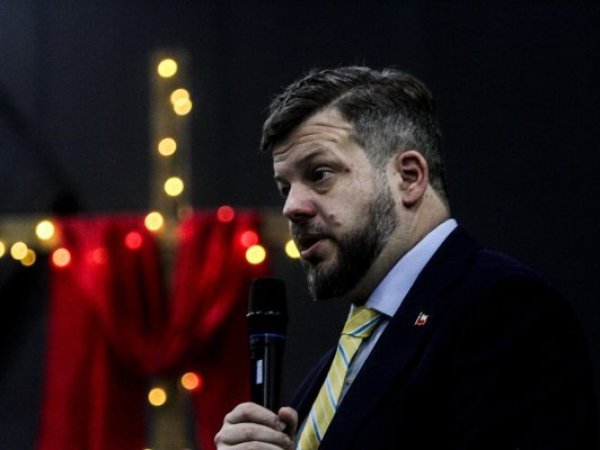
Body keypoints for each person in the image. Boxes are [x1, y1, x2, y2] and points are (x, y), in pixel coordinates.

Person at [214, 66, 599, 449]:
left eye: (319, 174)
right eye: (285, 188)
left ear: (409, 177)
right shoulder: (332, 370)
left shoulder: (506, 310)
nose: (292, 207)